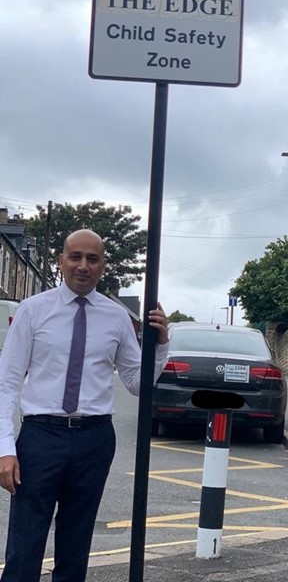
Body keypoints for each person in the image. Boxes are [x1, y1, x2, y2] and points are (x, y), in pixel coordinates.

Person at [0, 229, 169, 582]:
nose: (83, 266)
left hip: (94, 439)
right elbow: (7, 384)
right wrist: (4, 448)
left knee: (76, 545)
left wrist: (161, 346)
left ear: (103, 265)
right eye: (75, 257)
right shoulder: (33, 311)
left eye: (92, 259)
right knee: (24, 545)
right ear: (61, 261)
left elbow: (137, 384)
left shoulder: (117, 318)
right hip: (40, 436)